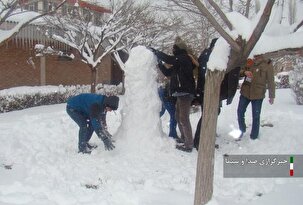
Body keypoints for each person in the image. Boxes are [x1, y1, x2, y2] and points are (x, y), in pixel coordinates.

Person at [150, 36, 196, 152]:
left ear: (179, 49)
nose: (173, 51)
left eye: (174, 49)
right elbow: (167, 72)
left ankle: (189, 144)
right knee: (177, 117)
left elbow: (170, 59)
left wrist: (157, 52)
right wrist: (160, 63)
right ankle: (184, 139)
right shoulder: (178, 63)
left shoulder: (184, 58)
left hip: (185, 93)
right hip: (180, 93)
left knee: (184, 118)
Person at [237, 55, 275, 140]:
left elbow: (271, 81)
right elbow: (239, 71)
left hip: (258, 94)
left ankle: (254, 136)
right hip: (245, 92)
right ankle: (242, 129)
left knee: (256, 116)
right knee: (240, 112)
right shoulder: (249, 59)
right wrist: (244, 72)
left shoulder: (267, 64)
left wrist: (271, 96)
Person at [193, 38, 218, 150]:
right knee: (208, 115)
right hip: (206, 90)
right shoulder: (208, 56)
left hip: (206, 90)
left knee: (210, 114)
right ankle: (199, 141)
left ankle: (202, 139)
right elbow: (204, 75)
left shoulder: (207, 54)